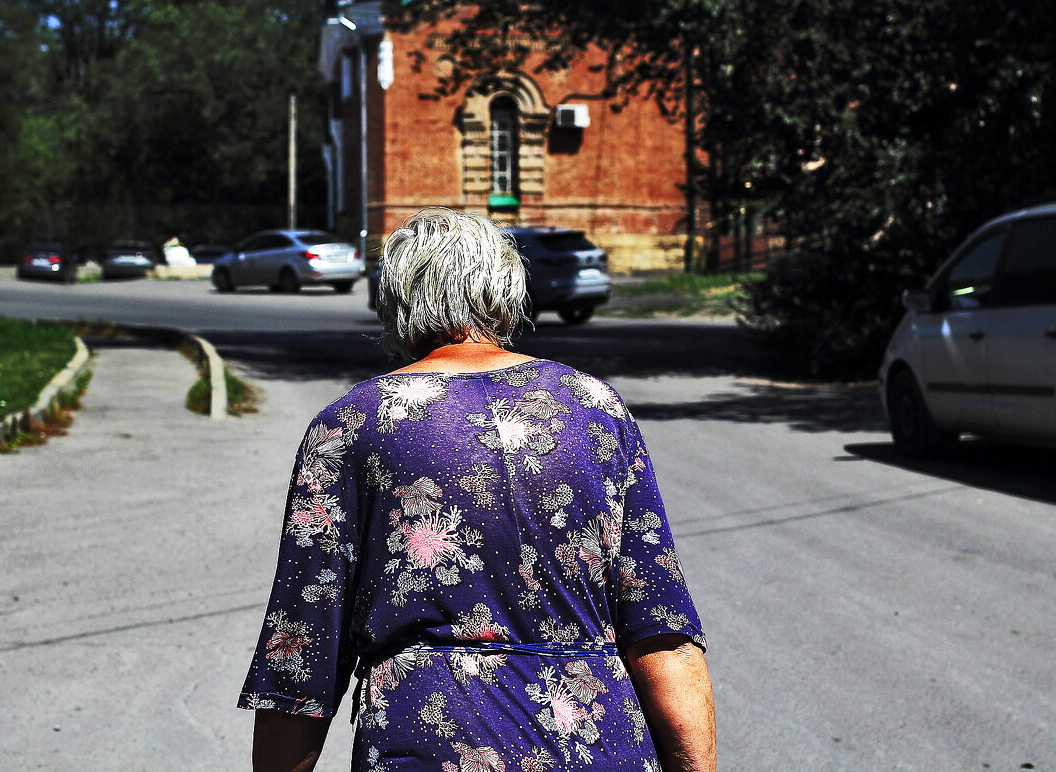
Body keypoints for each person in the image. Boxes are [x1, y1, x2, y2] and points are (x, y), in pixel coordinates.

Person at [239, 208, 716, 772]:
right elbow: (660, 630)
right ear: (505, 292)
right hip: (595, 744)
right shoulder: (593, 409)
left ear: (395, 301)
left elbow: (301, 653)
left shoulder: (350, 427)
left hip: (428, 745)